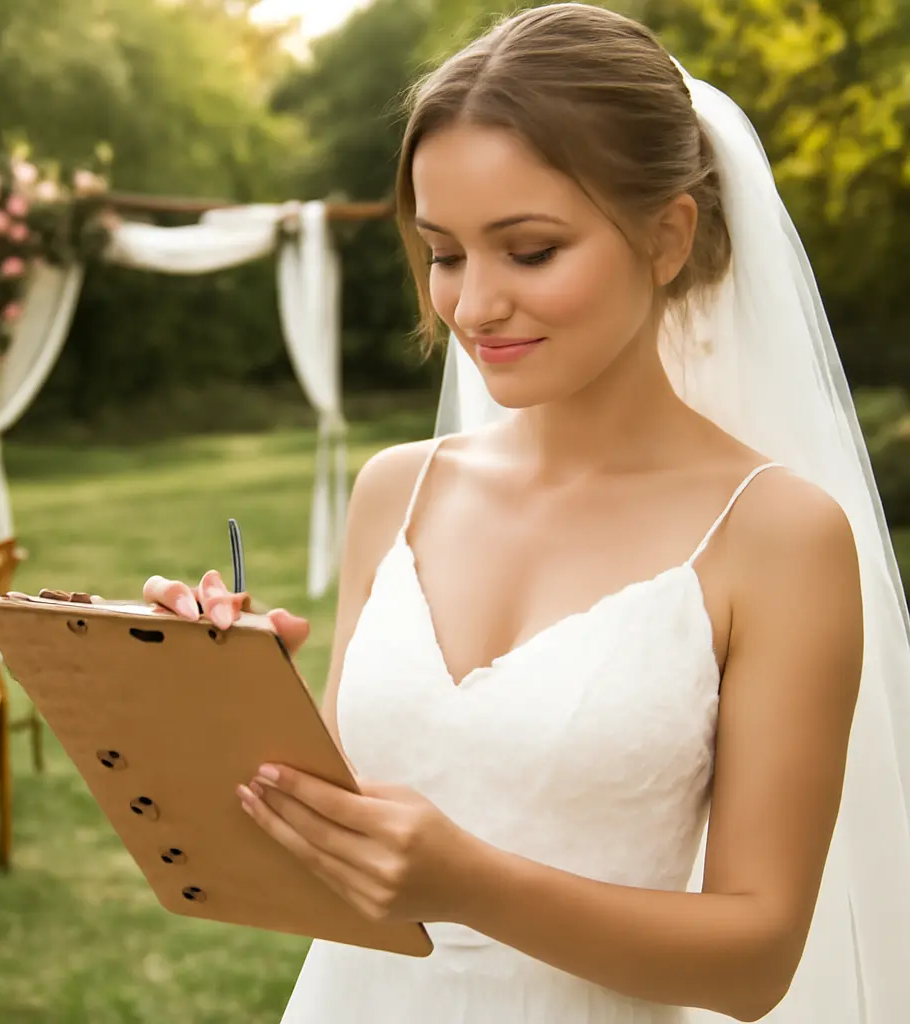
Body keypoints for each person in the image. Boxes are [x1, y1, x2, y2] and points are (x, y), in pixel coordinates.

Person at [143, 4, 910, 1021]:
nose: (471, 304)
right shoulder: (394, 490)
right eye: (445, 253)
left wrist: (475, 884)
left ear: (668, 234)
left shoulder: (776, 534)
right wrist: (222, 693)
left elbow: (756, 958)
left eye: (530, 249)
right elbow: (327, 854)